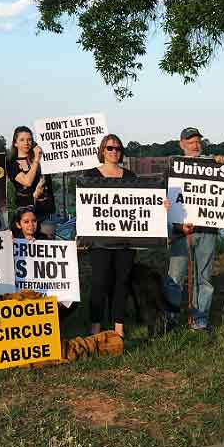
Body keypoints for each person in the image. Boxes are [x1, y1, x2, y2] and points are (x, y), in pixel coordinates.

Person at [164, 127, 224, 333]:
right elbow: (163, 200)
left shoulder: (213, 165)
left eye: (198, 141)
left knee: (205, 278)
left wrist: (223, 164)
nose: (195, 145)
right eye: (190, 142)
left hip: (208, 229)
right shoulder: (172, 169)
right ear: (181, 144)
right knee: (175, 278)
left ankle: (200, 320)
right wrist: (176, 225)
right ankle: (171, 319)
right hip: (181, 231)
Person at [84, 133, 137, 338]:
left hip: (126, 241)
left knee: (121, 283)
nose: (114, 152)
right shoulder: (90, 175)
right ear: (102, 151)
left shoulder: (131, 177)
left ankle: (119, 328)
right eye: (110, 148)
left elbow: (141, 205)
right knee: (99, 283)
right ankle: (95, 327)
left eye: (118, 148)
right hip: (99, 242)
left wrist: (160, 205)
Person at [8, 126, 57, 222]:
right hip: (26, 216)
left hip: (46, 213)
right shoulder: (12, 164)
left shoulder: (42, 160)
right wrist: (36, 160)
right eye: (22, 140)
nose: (26, 143)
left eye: (29, 139)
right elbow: (27, 181)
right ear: (15, 143)